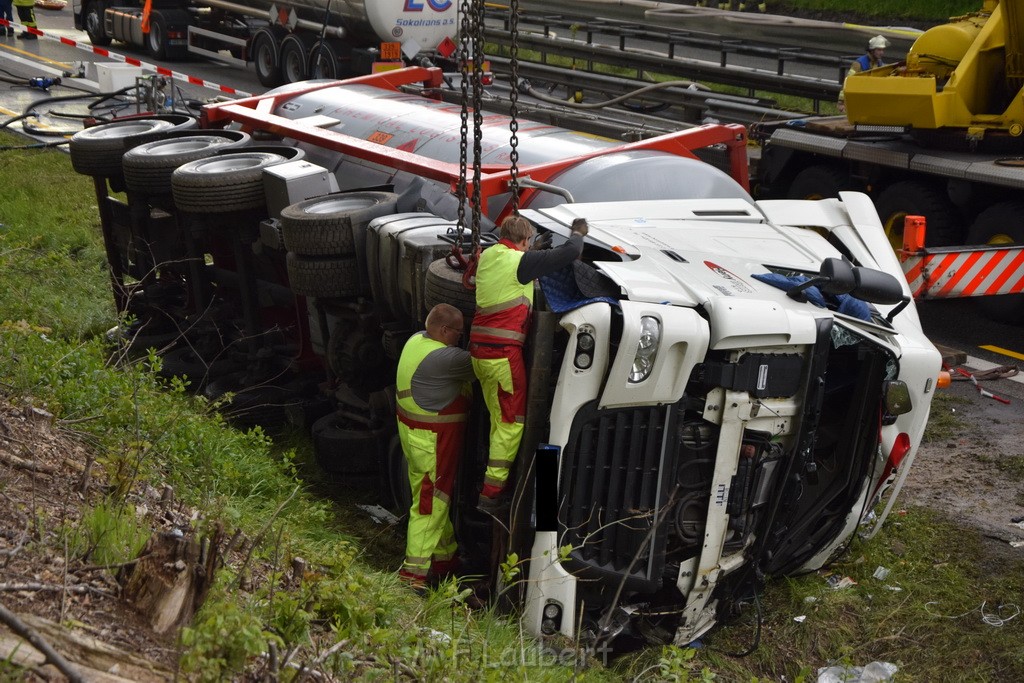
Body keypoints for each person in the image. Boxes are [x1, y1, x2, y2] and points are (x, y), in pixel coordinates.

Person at [470, 214, 588, 512]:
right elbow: (570, 253)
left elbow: (514, 267)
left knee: (498, 419)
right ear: (523, 242)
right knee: (511, 423)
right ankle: (491, 495)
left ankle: (492, 484)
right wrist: (577, 232)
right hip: (502, 355)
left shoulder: (489, 256)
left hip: (481, 353)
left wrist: (532, 251)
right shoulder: (519, 263)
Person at [395, 303, 477, 589]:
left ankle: (445, 559)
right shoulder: (446, 358)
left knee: (435, 500)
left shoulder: (417, 340)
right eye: (458, 333)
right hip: (433, 440)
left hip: (413, 436)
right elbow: (487, 366)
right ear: (444, 330)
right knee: (430, 505)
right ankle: (412, 577)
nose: (461, 338)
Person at [838, 35, 889, 112]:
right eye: (879, 50)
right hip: (858, 98)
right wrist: (841, 102)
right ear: (872, 50)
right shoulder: (859, 64)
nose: (882, 53)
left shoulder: (879, 63)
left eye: (882, 50)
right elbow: (847, 82)